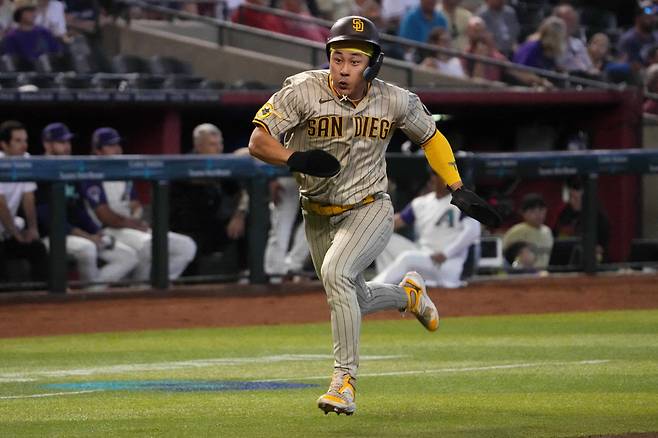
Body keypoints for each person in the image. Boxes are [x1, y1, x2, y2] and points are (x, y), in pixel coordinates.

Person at [248, 15, 499, 416]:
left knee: (336, 275)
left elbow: (430, 136)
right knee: (353, 295)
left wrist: (455, 186)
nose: (344, 69)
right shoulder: (301, 89)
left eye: (355, 60)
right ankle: (408, 295)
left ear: (373, 63)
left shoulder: (395, 99)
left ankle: (343, 382)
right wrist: (294, 157)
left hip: (370, 207)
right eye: (338, 58)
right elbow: (258, 140)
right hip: (316, 213)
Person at [80, 127, 197, 281]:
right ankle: (140, 289)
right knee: (147, 246)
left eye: (118, 145)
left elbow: (135, 204)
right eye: (111, 146)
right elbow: (105, 217)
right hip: (105, 231)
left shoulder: (123, 170)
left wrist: (136, 219)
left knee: (186, 246)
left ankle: (161, 286)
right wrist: (133, 224)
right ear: (98, 151)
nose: (117, 150)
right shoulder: (91, 173)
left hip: (129, 228)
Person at [36, 123, 139, 289]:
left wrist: (96, 232)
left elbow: (79, 210)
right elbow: (47, 217)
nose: (67, 147)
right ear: (47, 144)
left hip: (78, 234)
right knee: (87, 248)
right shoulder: (39, 170)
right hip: (50, 234)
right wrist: (86, 235)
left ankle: (90, 293)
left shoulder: (71, 170)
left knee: (128, 256)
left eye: (68, 142)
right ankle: (87, 299)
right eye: (61, 142)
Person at [373, 171, 481, 288]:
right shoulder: (421, 202)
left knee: (407, 258)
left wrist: (446, 253)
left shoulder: (462, 202)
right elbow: (395, 222)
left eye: (437, 175)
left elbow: (473, 231)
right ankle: (390, 286)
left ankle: (374, 287)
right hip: (423, 256)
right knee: (382, 238)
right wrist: (369, 224)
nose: (433, 178)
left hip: (446, 265)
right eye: (433, 175)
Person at [169, 123, 248, 276]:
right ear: (198, 146)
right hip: (183, 229)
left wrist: (239, 215)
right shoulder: (185, 164)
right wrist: (234, 160)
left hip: (212, 227)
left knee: (247, 222)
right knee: (190, 251)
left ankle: (245, 273)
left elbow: (241, 191)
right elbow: (203, 179)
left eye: (220, 144)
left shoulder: (221, 164)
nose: (218, 148)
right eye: (212, 145)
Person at [0, 120, 49, 284]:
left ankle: (44, 298)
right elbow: (1, 206)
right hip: (5, 228)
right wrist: (15, 234)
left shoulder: (25, 159)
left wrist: (33, 229)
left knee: (37, 248)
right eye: (18, 141)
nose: (24, 145)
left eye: (25, 140)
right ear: (4, 145)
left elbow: (28, 197)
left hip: (7, 231)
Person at [552, 177, 609, 262]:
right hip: (563, 261)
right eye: (570, 197)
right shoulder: (564, 213)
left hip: (589, 262)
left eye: (576, 198)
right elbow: (555, 240)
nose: (572, 201)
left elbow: (601, 247)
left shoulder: (597, 217)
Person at [502, 192, 553, 270]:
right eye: (532, 211)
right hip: (523, 277)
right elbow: (504, 257)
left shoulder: (547, 231)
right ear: (523, 213)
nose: (538, 214)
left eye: (541, 209)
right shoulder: (516, 232)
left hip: (543, 277)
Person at [552, 4, 594, 75]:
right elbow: (555, 66)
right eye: (567, 19)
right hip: (564, 79)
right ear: (556, 21)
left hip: (585, 79)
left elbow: (589, 66)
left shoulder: (578, 43)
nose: (572, 23)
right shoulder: (550, 42)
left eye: (573, 19)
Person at [463, 15, 507, 81]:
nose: (479, 35)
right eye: (475, 31)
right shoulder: (464, 56)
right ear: (468, 32)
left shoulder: (497, 57)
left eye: (482, 31)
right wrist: (480, 57)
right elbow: (476, 83)